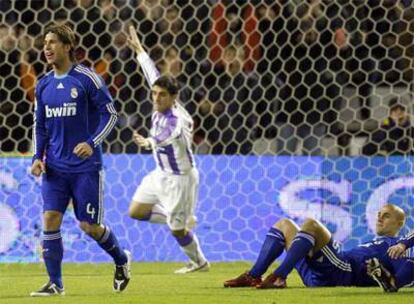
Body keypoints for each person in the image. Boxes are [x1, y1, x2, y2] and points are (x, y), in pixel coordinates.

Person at [30, 23, 131, 296]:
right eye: (45, 42)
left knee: (89, 226)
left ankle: (121, 259)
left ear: (67, 46)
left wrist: (91, 142)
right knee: (50, 218)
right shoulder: (43, 85)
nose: (47, 47)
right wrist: (37, 157)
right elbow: (39, 125)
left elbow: (110, 115)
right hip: (55, 167)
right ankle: (55, 283)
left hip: (86, 167)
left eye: (52, 42)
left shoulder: (87, 78)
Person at [126, 25, 209, 274]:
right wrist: (140, 51)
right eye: (154, 94)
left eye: (162, 95)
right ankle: (180, 217)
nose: (156, 98)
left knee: (177, 230)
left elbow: (166, 136)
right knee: (136, 211)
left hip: (181, 179)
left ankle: (199, 262)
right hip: (160, 173)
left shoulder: (178, 119)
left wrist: (148, 142)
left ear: (174, 98)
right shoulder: (159, 101)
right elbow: (152, 74)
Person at [224, 204, 413, 290]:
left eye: (386, 215)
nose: (379, 217)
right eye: (379, 214)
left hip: (343, 271)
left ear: (400, 222)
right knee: (285, 225)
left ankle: (279, 276)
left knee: (312, 225)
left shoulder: (399, 247)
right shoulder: (376, 242)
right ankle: (253, 276)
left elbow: (402, 275)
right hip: (321, 273)